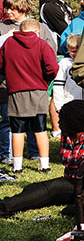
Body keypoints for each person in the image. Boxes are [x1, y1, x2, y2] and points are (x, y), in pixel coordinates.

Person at [0, 100, 84, 217]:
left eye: (62, 119)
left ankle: (4, 206)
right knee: (33, 189)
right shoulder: (67, 136)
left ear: (74, 122)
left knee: (52, 188)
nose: (58, 122)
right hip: (70, 179)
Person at [0, 20, 58, 174]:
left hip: (15, 92)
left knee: (17, 130)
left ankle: (17, 166)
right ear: (37, 31)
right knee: (40, 129)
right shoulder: (41, 45)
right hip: (38, 90)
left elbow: (0, 64)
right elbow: (52, 67)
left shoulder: (9, 43)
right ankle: (44, 165)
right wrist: (46, 78)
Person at [52, 34, 84, 111]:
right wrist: (59, 106)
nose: (74, 54)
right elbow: (58, 86)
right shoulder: (64, 63)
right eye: (72, 51)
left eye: (77, 51)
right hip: (69, 104)